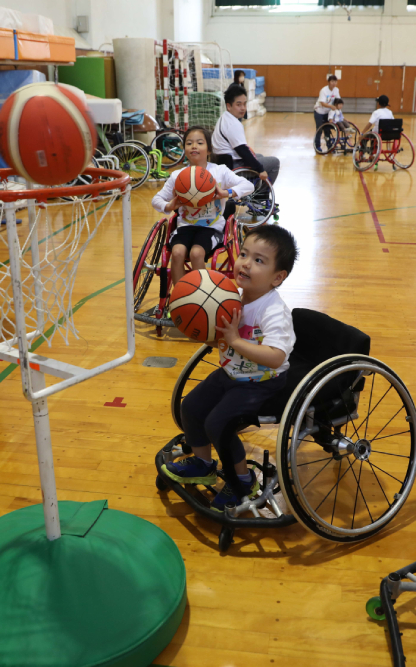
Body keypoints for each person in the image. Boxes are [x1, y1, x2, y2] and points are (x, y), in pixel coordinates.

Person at [160, 225, 299, 510]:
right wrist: (204, 331)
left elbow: (275, 356)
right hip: (231, 373)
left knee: (218, 425)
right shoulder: (229, 295)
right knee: (191, 408)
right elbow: (219, 339)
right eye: (244, 253)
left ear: (278, 277)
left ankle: (244, 481)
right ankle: (203, 464)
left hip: (262, 382)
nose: (246, 262)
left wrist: (234, 339)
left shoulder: (273, 310)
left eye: (259, 260)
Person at [152, 126, 254, 286]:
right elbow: (156, 200)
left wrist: (226, 193)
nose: (194, 146)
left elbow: (248, 185)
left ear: (208, 149)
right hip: (185, 226)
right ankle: (181, 299)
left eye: (199, 143)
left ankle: (201, 299)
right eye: (189, 143)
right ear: (184, 149)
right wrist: (170, 205)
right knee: (177, 253)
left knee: (196, 253)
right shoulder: (178, 175)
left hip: (211, 228)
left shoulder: (220, 171)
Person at [213, 84, 279, 184]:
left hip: (223, 162)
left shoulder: (225, 117)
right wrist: (260, 169)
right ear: (229, 106)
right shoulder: (233, 124)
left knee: (259, 155)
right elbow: (243, 152)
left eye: (244, 104)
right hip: (232, 168)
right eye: (238, 104)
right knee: (274, 162)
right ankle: (261, 195)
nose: (243, 108)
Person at [313, 74, 339, 140]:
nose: (334, 83)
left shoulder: (336, 90)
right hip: (319, 112)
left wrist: (338, 105)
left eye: (335, 82)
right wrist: (331, 106)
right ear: (328, 82)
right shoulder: (324, 90)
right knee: (319, 129)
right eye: (332, 81)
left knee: (327, 129)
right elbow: (322, 103)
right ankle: (317, 145)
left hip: (328, 112)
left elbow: (338, 100)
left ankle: (329, 145)